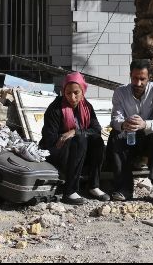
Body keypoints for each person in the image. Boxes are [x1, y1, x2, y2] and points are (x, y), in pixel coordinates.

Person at [108, 59, 153, 205]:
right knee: (115, 135)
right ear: (130, 76)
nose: (138, 83)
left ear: (149, 77)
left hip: (149, 139)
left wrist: (144, 124)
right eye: (135, 78)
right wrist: (124, 124)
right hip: (128, 138)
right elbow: (115, 119)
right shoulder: (120, 92)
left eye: (142, 79)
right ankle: (124, 188)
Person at [39, 72, 110, 205]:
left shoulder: (87, 107)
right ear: (63, 92)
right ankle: (69, 191)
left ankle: (93, 186)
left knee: (97, 141)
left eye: (76, 92)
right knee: (80, 140)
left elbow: (96, 130)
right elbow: (50, 140)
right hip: (57, 151)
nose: (72, 97)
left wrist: (75, 132)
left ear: (83, 91)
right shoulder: (55, 109)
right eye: (68, 93)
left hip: (80, 151)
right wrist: (72, 137)